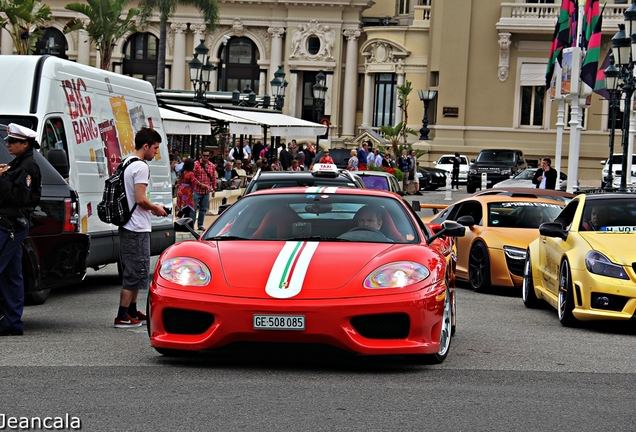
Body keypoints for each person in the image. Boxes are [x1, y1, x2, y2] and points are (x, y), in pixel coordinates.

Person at [115, 127, 168, 328]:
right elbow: (140, 198)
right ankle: (122, 315)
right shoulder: (141, 167)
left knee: (137, 270)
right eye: (155, 148)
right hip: (136, 226)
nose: (156, 152)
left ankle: (131, 309)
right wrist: (155, 208)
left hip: (130, 224)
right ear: (145, 146)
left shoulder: (126, 162)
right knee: (135, 272)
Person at [0, 124, 42, 336]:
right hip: (12, 225)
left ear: (24, 144)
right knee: (11, 275)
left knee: (8, 271)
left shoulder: (27, 166)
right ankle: (13, 322)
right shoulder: (19, 163)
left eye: (12, 142)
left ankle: (13, 322)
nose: (7, 144)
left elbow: (19, 198)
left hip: (11, 225)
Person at [175, 158, 205, 231]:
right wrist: (202, 185)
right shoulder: (190, 173)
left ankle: (180, 222)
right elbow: (194, 181)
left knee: (184, 208)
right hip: (187, 192)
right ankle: (185, 226)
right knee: (187, 208)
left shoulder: (182, 172)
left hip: (181, 191)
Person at [192, 149, 217, 231]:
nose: (205, 157)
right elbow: (193, 177)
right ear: (201, 155)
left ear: (209, 156)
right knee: (193, 209)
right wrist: (199, 184)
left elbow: (213, 178)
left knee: (203, 209)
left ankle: (200, 225)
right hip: (196, 190)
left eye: (207, 156)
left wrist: (214, 189)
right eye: (204, 156)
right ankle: (191, 225)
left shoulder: (212, 166)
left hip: (206, 191)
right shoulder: (196, 164)